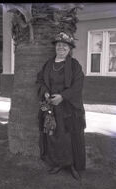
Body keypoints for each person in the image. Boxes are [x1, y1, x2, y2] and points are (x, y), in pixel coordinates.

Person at [36, 32, 86, 180]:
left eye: (65, 46)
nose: (61, 48)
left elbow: (78, 85)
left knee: (70, 136)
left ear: (69, 49)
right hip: (52, 107)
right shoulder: (48, 64)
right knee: (54, 136)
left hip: (69, 108)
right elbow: (40, 81)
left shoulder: (75, 65)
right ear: (55, 48)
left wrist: (63, 97)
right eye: (59, 45)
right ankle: (58, 163)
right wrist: (45, 92)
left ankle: (72, 165)